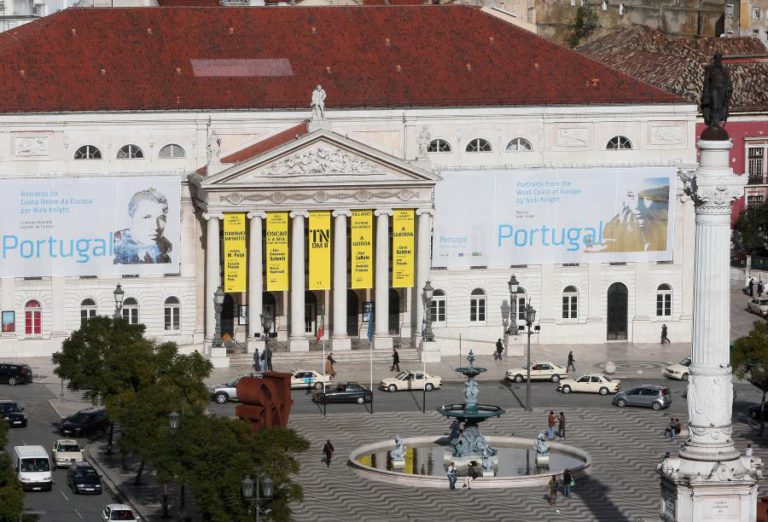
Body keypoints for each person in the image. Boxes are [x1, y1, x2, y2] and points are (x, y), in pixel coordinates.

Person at [113, 188, 172, 264]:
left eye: (161, 218)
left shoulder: (165, 252)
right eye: (146, 217)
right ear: (131, 217)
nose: (156, 227)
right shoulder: (114, 253)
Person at [701, 52, 732, 128]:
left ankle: (717, 121)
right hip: (714, 89)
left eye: (719, 59)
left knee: (720, 106)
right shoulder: (710, 69)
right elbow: (707, 82)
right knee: (714, 105)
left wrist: (729, 90)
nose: (718, 61)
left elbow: (728, 81)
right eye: (717, 59)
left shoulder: (725, 70)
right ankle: (713, 121)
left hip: (722, 89)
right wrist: (706, 93)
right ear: (714, 60)